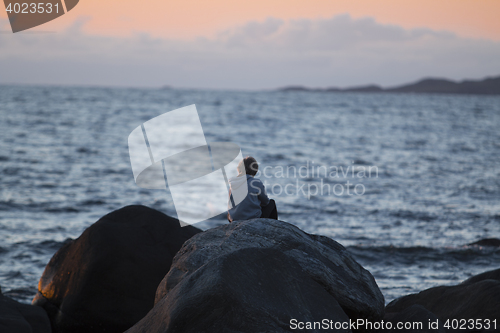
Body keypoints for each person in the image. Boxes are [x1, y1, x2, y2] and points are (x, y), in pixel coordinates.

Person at [227, 156, 278, 222]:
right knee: (271, 203)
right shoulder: (256, 183)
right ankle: (273, 226)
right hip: (252, 218)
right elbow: (265, 202)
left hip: (234, 219)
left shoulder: (232, 183)